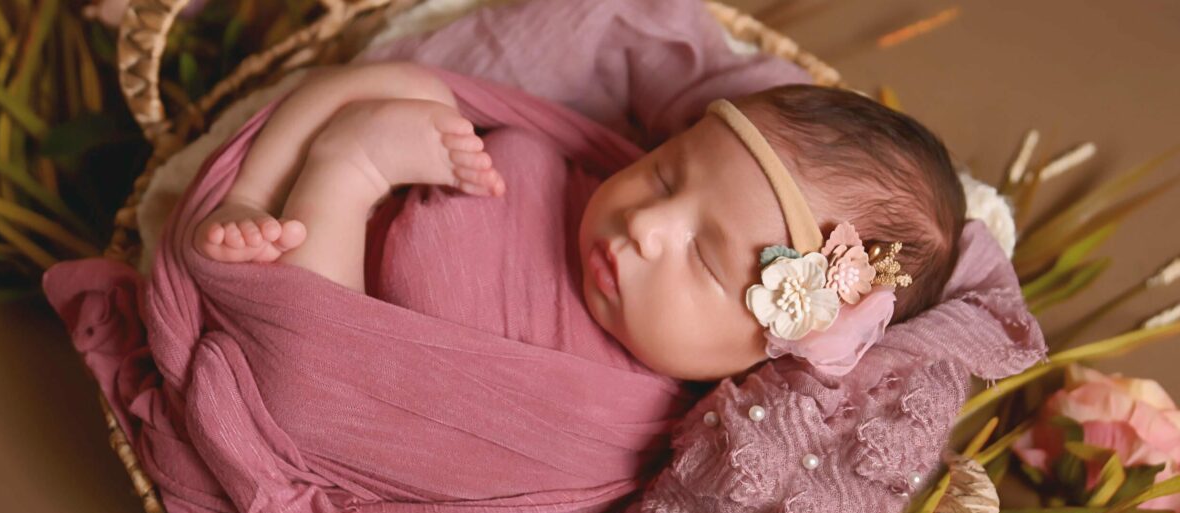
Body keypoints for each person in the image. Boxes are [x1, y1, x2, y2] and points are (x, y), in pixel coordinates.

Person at [193, 60, 963, 380]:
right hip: (352, 200)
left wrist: (353, 176)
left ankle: (340, 170)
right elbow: (403, 86)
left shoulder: (618, 419)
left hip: (329, 320)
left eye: (703, 257)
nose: (646, 223)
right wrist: (253, 198)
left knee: (323, 368)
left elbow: (335, 407)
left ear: (775, 345)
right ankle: (272, 187)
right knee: (404, 89)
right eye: (664, 169)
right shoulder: (571, 168)